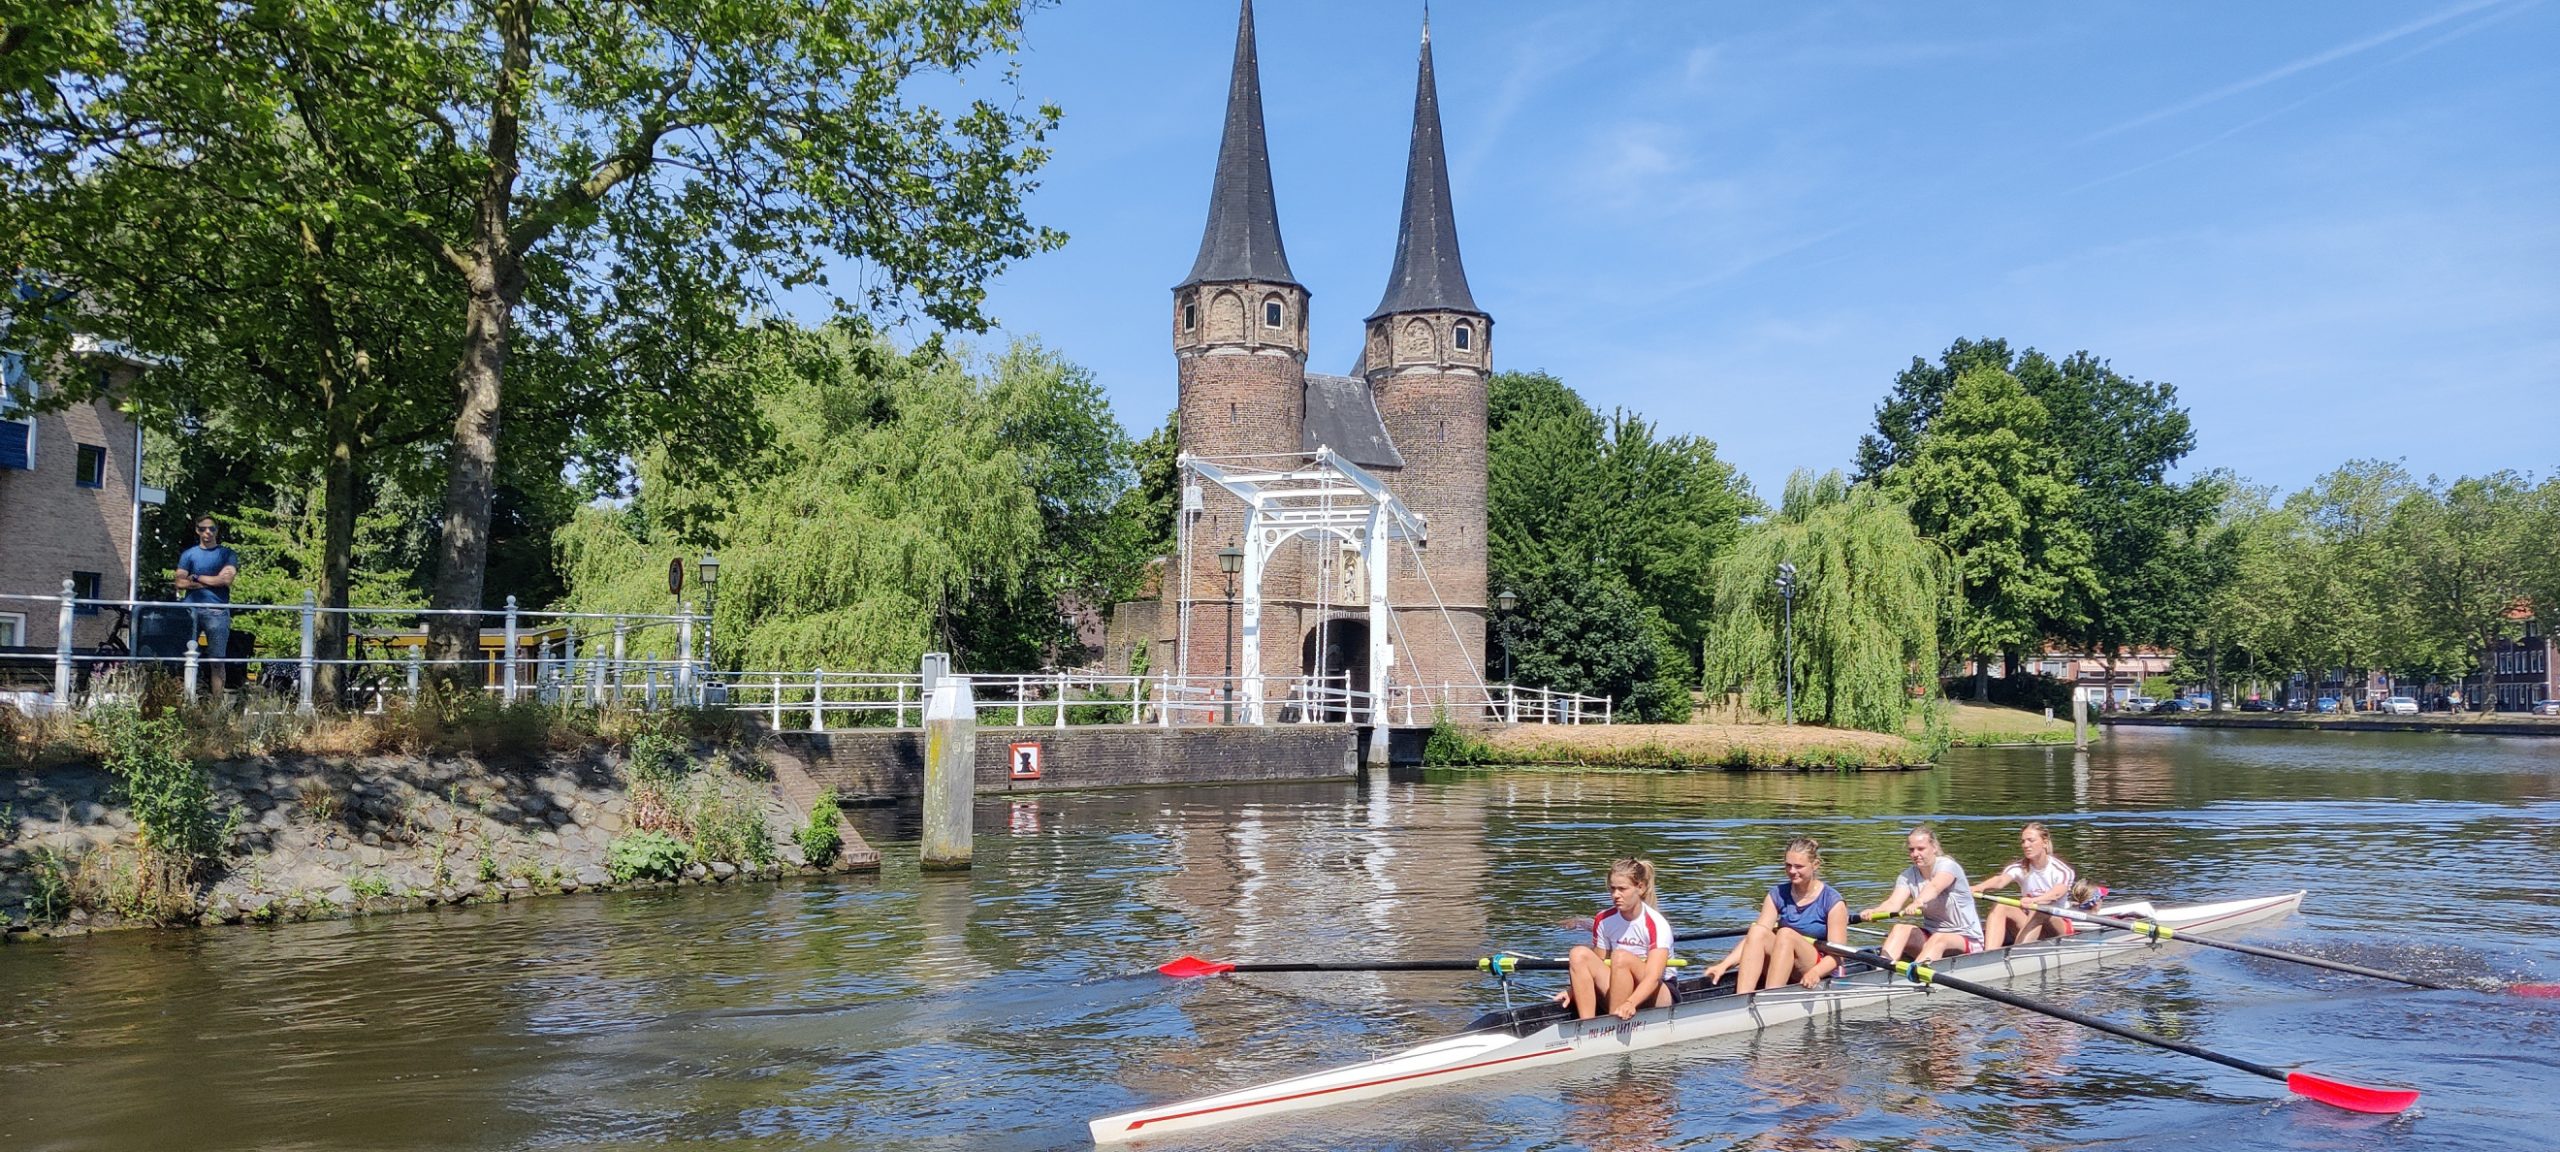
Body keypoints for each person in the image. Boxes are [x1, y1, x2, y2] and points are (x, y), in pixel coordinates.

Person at [1701, 836, 1849, 992]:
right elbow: (1753, 940)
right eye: (1788, 866)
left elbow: (1838, 956)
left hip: (1818, 967)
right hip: (1786, 959)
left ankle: (1771, 996)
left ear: (1815, 865)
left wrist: (1815, 972)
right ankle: (1743, 997)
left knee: (1785, 934)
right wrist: (1724, 965)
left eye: (1799, 867)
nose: (1792, 871)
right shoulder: (1777, 894)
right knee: (1758, 930)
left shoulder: (1833, 901)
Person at [1555, 857, 1677, 1022]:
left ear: (1640, 888)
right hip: (1620, 986)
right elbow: (1596, 964)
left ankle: (1613, 1024)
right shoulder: (1604, 920)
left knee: (1621, 957)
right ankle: (1586, 1025)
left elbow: (1653, 977)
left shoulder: (1656, 924)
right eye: (1612, 889)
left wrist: (1630, 1002)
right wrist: (1574, 990)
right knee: (1579, 954)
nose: (1615, 895)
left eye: (1622, 889)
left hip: (1659, 993)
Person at [1860, 825, 1983, 964]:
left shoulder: (1948, 866)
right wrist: (1875, 911)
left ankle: (1915, 975)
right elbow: (1893, 904)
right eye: (1911, 850)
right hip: (1932, 936)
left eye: (1921, 849)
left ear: (1934, 848)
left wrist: (1918, 902)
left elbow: (1935, 887)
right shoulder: (1907, 876)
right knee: (1900, 928)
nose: (1915, 854)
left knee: (1939, 938)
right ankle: (1881, 972)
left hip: (1967, 938)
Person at [1970, 822, 2078, 949]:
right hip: (2029, 922)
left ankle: (2017, 955)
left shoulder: (2061, 870)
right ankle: (1988, 954)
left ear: (2044, 842)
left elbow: (2056, 893)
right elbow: (2000, 880)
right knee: (2001, 906)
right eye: (2023, 841)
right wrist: (1979, 887)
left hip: (2058, 926)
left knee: (2039, 908)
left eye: (2031, 840)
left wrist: (2034, 901)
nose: (2026, 845)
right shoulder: (2019, 867)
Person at [173, 516, 240, 673]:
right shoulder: (188, 555)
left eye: (212, 528)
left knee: (217, 661)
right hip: (190, 611)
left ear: (217, 530)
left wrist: (196, 577)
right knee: (183, 658)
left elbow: (226, 580)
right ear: (197, 530)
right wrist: (213, 580)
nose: (207, 532)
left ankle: (216, 698)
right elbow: (179, 582)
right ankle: (185, 697)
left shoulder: (227, 554)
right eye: (203, 529)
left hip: (217, 611)